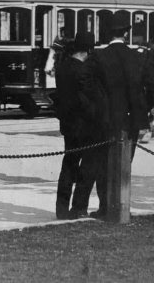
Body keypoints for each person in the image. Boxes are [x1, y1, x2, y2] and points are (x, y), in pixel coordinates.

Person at [86, 20, 154, 216]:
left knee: (104, 163)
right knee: (125, 162)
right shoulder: (139, 57)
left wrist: (98, 110)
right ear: (126, 35)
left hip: (105, 120)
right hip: (131, 120)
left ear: (106, 35)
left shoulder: (98, 56)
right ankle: (121, 206)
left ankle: (105, 207)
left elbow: (89, 89)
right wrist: (142, 109)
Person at [54, 30, 104, 220]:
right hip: (87, 127)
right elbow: (90, 100)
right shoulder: (84, 71)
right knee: (88, 168)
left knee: (68, 166)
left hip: (69, 126)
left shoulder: (62, 67)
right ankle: (78, 207)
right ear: (89, 49)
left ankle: (61, 209)